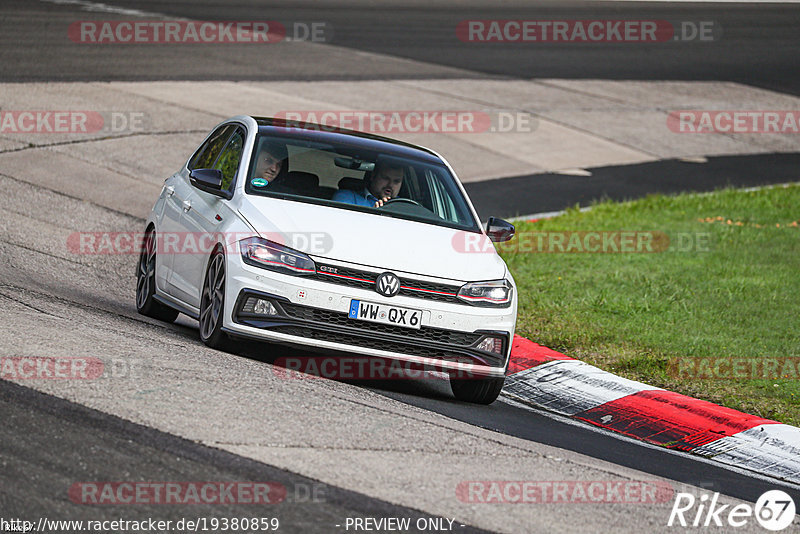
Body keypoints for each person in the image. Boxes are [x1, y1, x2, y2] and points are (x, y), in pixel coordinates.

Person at [332, 161, 404, 208]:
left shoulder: (405, 206)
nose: (390, 184)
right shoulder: (346, 197)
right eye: (385, 178)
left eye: (396, 181)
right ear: (373, 176)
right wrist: (372, 215)